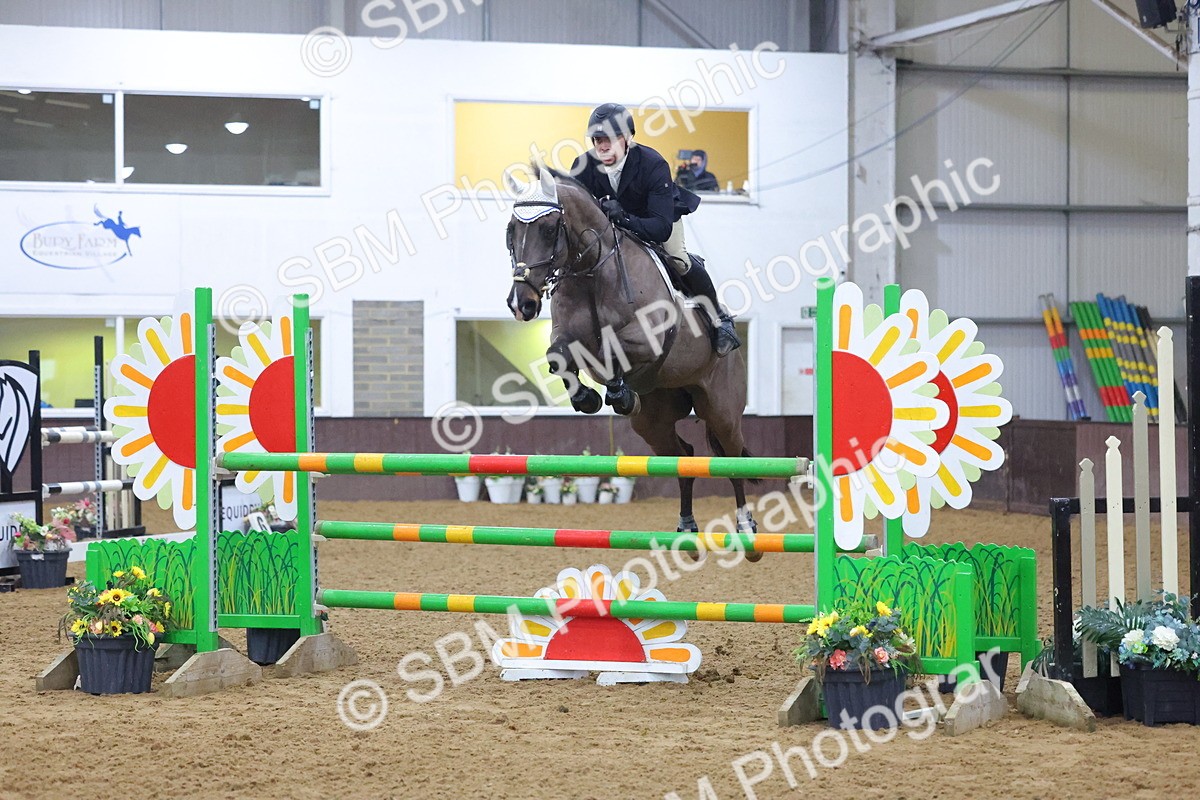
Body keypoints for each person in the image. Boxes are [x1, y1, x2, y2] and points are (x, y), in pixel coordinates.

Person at [570, 103, 739, 357]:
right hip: (611, 227)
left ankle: (719, 317)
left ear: (627, 138)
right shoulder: (582, 166)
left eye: (609, 139)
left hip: (656, 218)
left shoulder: (652, 163)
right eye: (597, 140)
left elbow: (660, 228)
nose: (602, 146)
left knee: (678, 260)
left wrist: (624, 217)